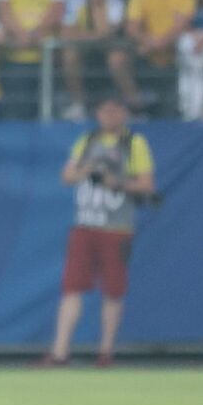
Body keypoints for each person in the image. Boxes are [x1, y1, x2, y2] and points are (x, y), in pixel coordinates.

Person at [43, 96, 154, 367]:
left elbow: (146, 185)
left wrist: (116, 183)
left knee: (113, 289)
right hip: (85, 223)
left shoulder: (134, 143)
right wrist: (88, 170)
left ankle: (106, 350)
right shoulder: (88, 141)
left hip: (116, 226)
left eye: (115, 110)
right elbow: (67, 175)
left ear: (124, 113)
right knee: (72, 287)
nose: (110, 116)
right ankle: (60, 351)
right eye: (105, 110)